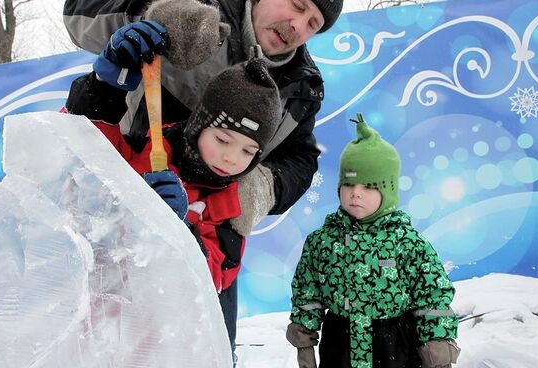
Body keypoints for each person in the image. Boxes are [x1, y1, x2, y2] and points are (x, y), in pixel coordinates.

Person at [62, 0, 344, 358]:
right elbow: (78, 16)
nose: (298, 26)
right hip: (120, 220)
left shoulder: (302, 84)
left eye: (313, 23)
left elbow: (301, 158)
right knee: (103, 349)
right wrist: (147, 15)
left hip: (212, 232)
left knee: (209, 352)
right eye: (297, 5)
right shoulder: (200, 6)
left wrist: (255, 191)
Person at [64, 58, 282, 357]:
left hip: (160, 347)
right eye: (222, 139)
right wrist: (102, 89)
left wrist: (183, 231)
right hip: (100, 333)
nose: (231, 158)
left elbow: (214, 282)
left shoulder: (231, 210)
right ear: (200, 125)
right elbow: (82, 147)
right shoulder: (144, 152)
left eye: (248, 151)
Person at [286, 115, 461, 368]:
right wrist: (304, 339)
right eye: (349, 184)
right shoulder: (322, 242)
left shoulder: (408, 242)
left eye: (368, 186)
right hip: (340, 344)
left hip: (394, 345)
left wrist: (437, 344)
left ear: (388, 190)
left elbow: (432, 296)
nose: (356, 193)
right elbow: (307, 291)